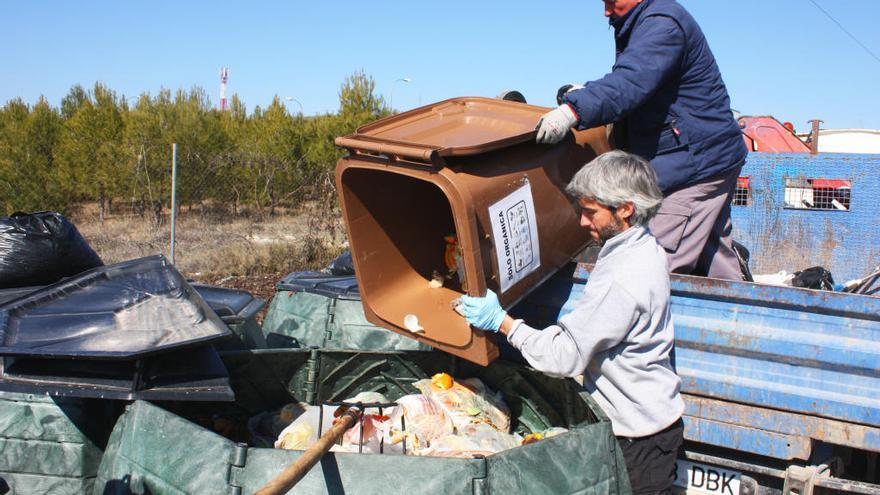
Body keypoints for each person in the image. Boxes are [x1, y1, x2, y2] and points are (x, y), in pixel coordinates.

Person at [460, 151, 684, 495]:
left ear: (625, 208)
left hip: (637, 440)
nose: (582, 222)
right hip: (650, 426)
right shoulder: (643, 247)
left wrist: (502, 322)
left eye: (590, 212)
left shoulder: (624, 277)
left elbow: (563, 357)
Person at [535, 0, 749, 280]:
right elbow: (637, 82)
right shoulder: (647, 22)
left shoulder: (662, 23)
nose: (606, 11)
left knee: (648, 265)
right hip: (704, 158)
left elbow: (632, 82)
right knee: (714, 263)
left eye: (611, 1)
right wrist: (587, 93)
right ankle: (741, 318)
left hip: (695, 166)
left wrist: (575, 109)